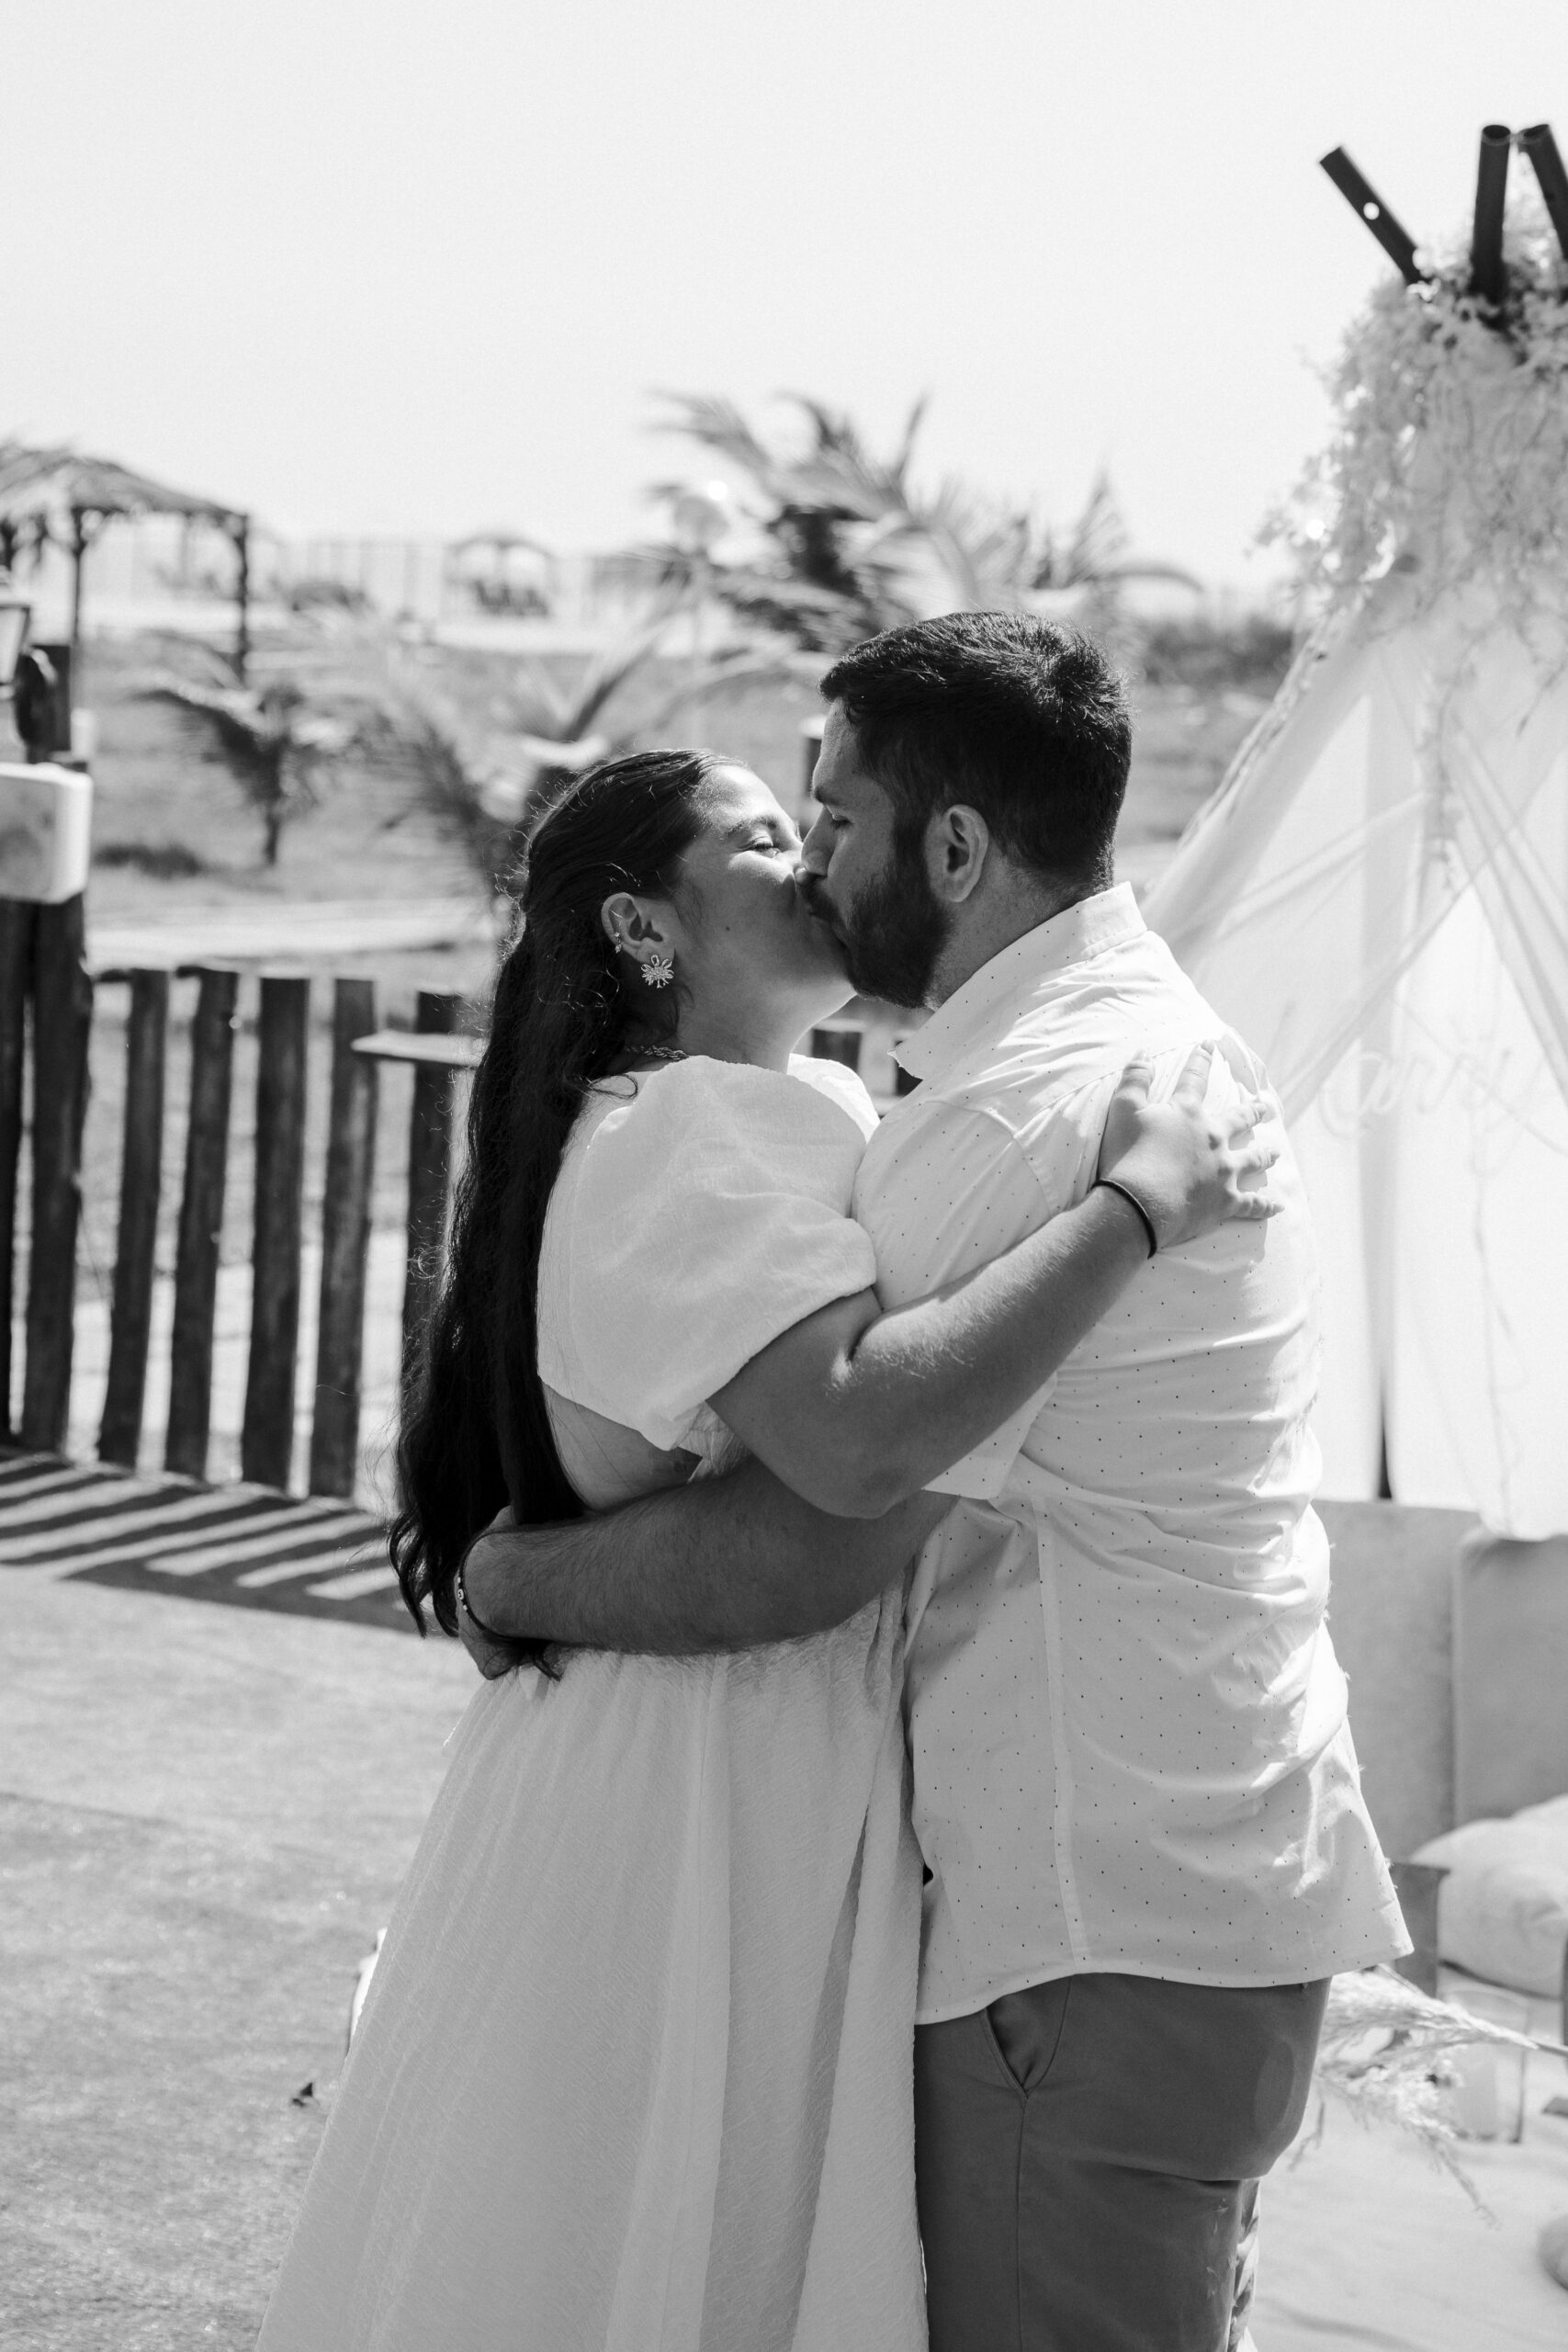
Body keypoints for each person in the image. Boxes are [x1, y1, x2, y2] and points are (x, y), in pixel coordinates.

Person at [458, 617, 1412, 2352]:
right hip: (1180, 1898)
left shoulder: (1015, 1112)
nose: (818, 866)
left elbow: (822, 1516)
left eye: (832, 819)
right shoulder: (1111, 1047)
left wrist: (510, 1581)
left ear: (955, 849)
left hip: (1094, 1922)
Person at [256, 742, 1272, 2352]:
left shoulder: (788, 1106)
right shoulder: (688, 1127)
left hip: (727, 1747)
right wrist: (1132, 1213)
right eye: (761, 840)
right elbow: (854, 1445)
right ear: (644, 927)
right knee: (666, 2237)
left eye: (817, 827)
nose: (811, 863)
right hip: (696, 1775)